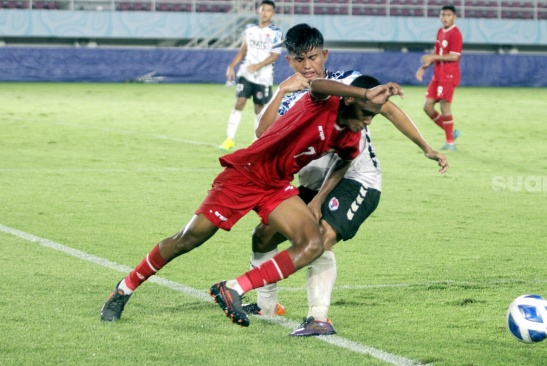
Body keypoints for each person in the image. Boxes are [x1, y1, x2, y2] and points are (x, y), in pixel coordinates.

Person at [100, 75, 405, 326]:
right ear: (350, 101)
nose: (367, 123)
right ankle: (123, 289)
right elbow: (317, 85)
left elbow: (344, 161)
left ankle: (234, 288)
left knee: (312, 243)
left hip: (276, 186)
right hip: (244, 175)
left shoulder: (350, 137)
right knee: (187, 239)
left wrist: (320, 198)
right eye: (366, 114)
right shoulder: (320, 103)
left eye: (373, 117)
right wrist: (365, 91)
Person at [242, 23, 449, 336]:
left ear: (324, 55)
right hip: (313, 183)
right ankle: (267, 304)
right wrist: (284, 89)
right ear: (289, 62)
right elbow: (262, 134)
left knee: (320, 238)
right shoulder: (287, 97)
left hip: (356, 178)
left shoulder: (346, 82)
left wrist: (426, 148)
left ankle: (319, 318)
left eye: (312, 57)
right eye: (299, 60)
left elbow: (389, 110)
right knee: (263, 235)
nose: (307, 66)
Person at [219, 0, 283, 151]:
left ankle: (256, 142)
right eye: (263, 10)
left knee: (259, 109)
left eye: (268, 10)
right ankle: (229, 139)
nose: (265, 12)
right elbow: (243, 51)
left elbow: (274, 56)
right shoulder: (250, 29)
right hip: (247, 74)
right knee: (239, 102)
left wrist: (258, 66)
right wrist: (231, 66)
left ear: (272, 13)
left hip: (264, 78)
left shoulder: (276, 33)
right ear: (258, 11)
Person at [416, 4, 462, 151]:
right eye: (443, 15)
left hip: (448, 75)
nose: (445, 18)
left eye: (448, 15)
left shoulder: (455, 33)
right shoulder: (440, 31)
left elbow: (454, 57)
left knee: (444, 106)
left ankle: (450, 143)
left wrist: (433, 56)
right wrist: (424, 67)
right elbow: (437, 53)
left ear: (454, 17)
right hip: (437, 76)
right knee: (427, 107)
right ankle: (452, 132)